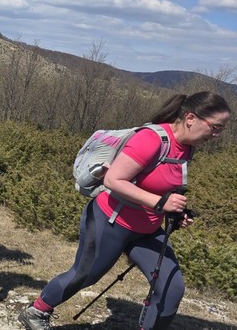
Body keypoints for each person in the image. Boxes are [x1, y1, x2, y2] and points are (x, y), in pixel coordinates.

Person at [18, 91, 231, 330]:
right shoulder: (151, 139)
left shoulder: (187, 148)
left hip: (148, 228)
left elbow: (162, 187)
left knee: (171, 288)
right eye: (215, 127)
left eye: (221, 129)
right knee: (85, 275)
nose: (217, 135)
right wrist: (160, 203)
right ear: (191, 118)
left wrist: (176, 213)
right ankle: (36, 311)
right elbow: (113, 180)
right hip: (110, 220)